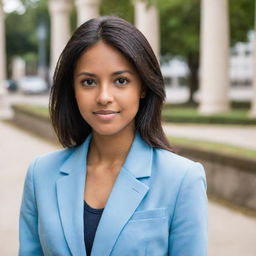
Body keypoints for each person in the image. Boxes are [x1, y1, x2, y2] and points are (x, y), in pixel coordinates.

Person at [19, 16, 208, 256]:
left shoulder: (182, 179)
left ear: (142, 87)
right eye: (88, 82)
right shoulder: (41, 174)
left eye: (121, 80)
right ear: (72, 90)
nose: (104, 96)